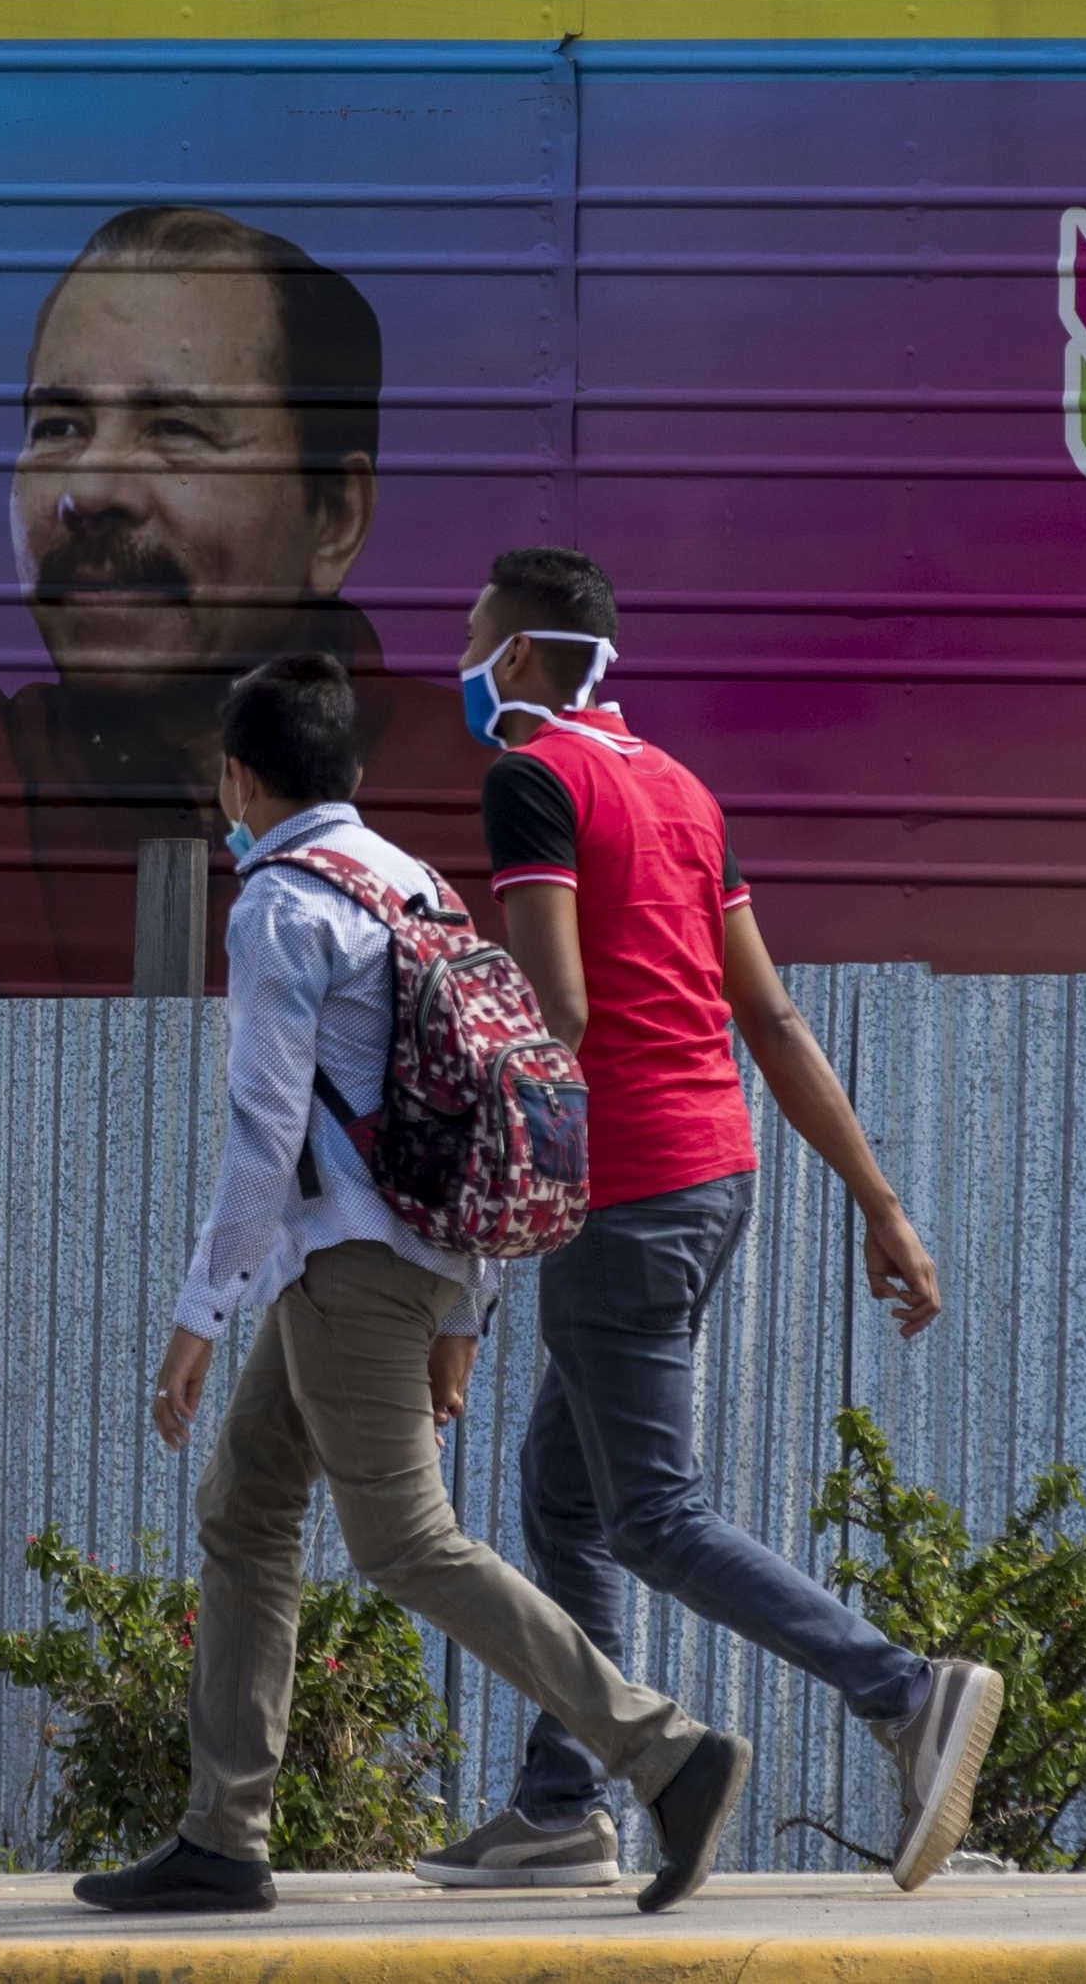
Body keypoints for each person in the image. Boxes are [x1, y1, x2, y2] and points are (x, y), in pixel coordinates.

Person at [73, 652, 751, 1919]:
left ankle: (667, 1751)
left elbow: (265, 1132)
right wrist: (464, 1303)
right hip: (393, 1263)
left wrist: (194, 1318)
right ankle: (223, 1832)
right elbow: (482, 1099)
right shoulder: (412, 883)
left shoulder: (281, 903)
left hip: (342, 1269)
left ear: (238, 776)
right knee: (245, 1507)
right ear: (355, 772)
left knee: (410, 1545)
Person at [418, 547, 1001, 1894]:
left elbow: (552, 1015)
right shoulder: (679, 787)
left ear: (513, 657)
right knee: (563, 1489)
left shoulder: (529, 779)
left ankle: (903, 1690)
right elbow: (773, 1017)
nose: (457, 653)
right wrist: (881, 1203)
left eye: (469, 632)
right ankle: (563, 1799)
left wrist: (469, 1256)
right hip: (710, 1173)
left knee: (654, 1515)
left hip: (618, 1189)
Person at [0, 207, 480, 1007]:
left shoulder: (479, 812)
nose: (90, 489)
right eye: (58, 426)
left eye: (176, 429)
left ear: (333, 518)